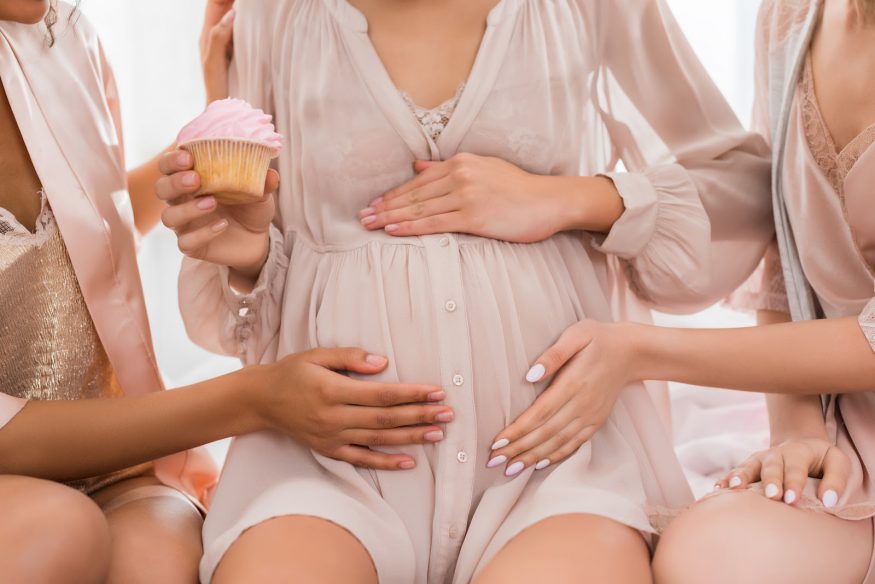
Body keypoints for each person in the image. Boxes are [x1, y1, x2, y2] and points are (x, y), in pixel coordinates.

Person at [161, 0, 774, 582]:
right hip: (322, 466)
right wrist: (244, 255)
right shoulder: (270, 15)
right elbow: (250, 307)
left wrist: (568, 198)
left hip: (555, 465)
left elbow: (746, 191)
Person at [0, 2, 449, 582]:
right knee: (59, 529)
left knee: (157, 563)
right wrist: (254, 399)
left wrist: (219, 133)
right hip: (32, 476)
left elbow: (85, 227)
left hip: (119, 463)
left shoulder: (61, 36)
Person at [491, 1, 875, 582]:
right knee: (709, 556)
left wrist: (638, 350)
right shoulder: (793, 17)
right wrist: (798, 432)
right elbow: (782, 265)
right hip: (851, 434)